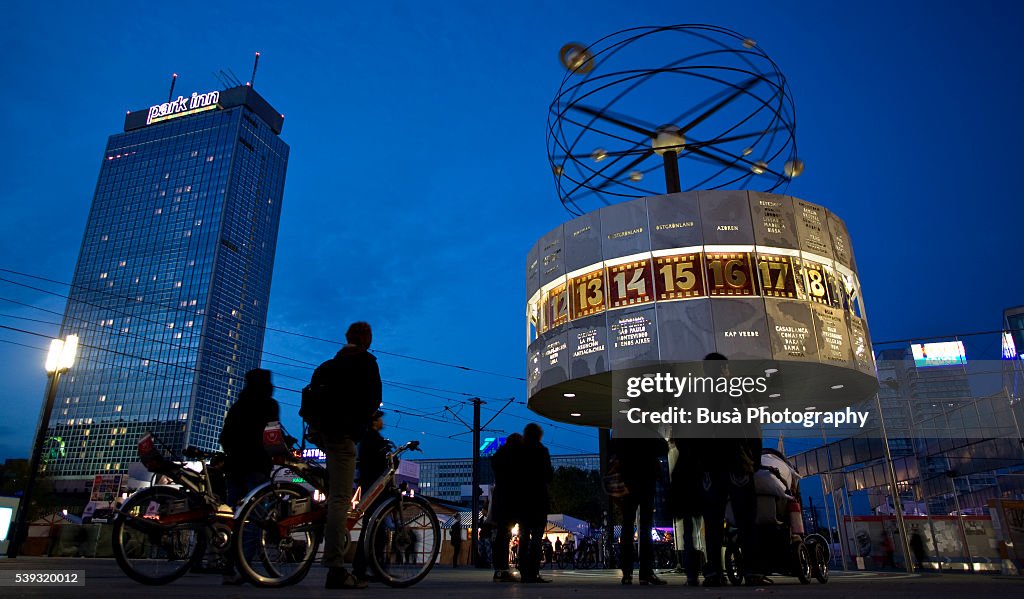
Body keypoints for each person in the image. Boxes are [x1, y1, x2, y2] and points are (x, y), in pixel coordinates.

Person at [314, 321, 382, 590]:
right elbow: (374, 399)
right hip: (344, 436)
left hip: (324, 435)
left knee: (333, 495)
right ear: (367, 339)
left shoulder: (331, 364)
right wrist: (364, 421)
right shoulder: (366, 362)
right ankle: (335, 567)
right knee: (340, 500)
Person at [697, 353, 765, 587]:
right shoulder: (737, 391)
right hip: (736, 460)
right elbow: (752, 425)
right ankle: (752, 571)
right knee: (745, 516)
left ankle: (714, 572)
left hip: (708, 466)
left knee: (712, 520)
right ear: (724, 368)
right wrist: (755, 458)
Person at [219, 368, 279, 584]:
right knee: (255, 517)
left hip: (234, 467)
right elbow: (273, 435)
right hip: (257, 466)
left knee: (233, 516)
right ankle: (245, 565)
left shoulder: (238, 406)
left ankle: (228, 563)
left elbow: (224, 437)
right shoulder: (269, 405)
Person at [614, 435, 668, 585]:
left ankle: (627, 572)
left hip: (628, 479)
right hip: (646, 478)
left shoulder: (624, 429)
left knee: (627, 525)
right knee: (645, 526)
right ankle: (645, 572)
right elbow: (663, 448)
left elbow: (615, 450)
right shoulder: (646, 427)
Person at [352, 410, 390, 581]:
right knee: (375, 528)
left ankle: (367, 567)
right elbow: (379, 462)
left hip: (368, 484)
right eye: (379, 418)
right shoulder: (373, 439)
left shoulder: (366, 438)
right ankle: (371, 568)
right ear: (374, 421)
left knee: (373, 527)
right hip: (374, 486)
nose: (382, 421)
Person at [518, 423, 553, 583]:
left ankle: (524, 571)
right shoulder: (542, 451)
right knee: (536, 538)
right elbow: (548, 476)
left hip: (523, 499)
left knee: (524, 537)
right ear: (539, 435)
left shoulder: (520, 451)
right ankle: (534, 572)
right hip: (539, 499)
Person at [491, 433, 523, 582]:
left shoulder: (499, 456)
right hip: (510, 500)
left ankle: (499, 569)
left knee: (501, 536)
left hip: (500, 500)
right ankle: (503, 569)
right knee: (505, 536)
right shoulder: (514, 458)